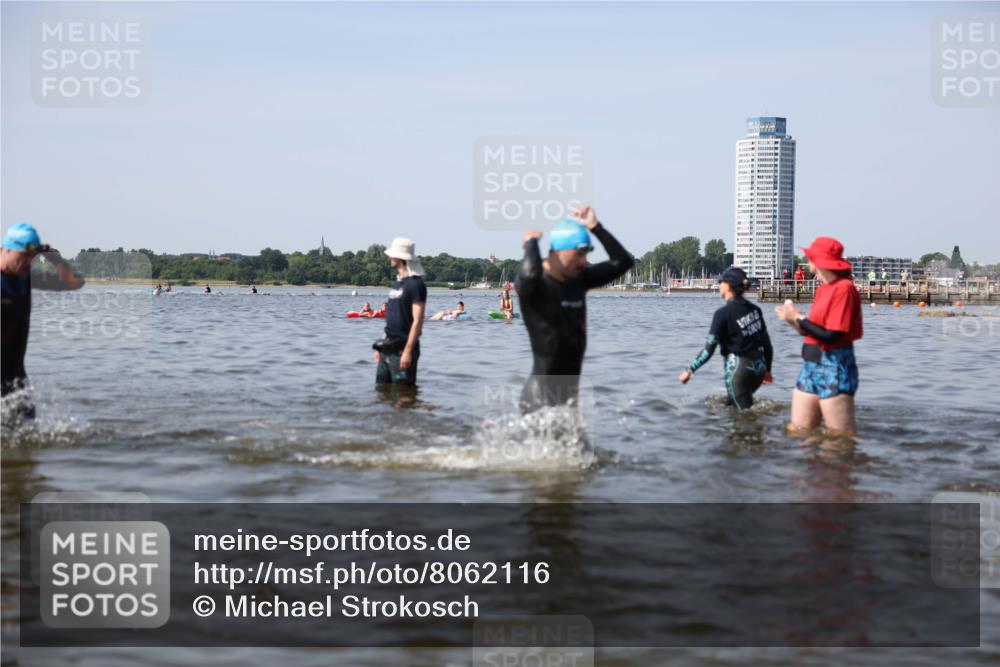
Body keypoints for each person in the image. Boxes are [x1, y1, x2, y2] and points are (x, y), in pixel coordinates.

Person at [516, 204, 633, 413]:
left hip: (568, 402)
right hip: (538, 403)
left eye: (586, 254)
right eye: (579, 253)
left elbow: (623, 262)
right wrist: (531, 243)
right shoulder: (535, 287)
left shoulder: (580, 280)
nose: (584, 261)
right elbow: (528, 274)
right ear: (558, 251)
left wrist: (595, 227)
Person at [775, 237, 863, 435]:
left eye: (809, 258)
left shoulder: (844, 288)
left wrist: (798, 318)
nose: (807, 262)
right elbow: (814, 329)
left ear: (819, 261)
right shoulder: (823, 288)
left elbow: (832, 335)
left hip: (834, 367)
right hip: (810, 365)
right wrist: (793, 320)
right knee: (798, 430)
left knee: (839, 437)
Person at [1, 223, 85, 420]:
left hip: (16, 379)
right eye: (23, 256)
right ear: (6, 250)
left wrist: (52, 256)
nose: (28, 262)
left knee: (26, 436)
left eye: (32, 257)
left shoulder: (25, 276)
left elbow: (74, 282)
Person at [679, 267, 773, 410]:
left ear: (728, 286)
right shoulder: (755, 310)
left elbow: (709, 349)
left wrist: (690, 370)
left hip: (738, 371)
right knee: (732, 405)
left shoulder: (722, 314)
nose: (719, 284)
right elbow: (767, 344)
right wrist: (767, 371)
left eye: (721, 281)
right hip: (758, 369)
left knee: (743, 420)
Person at [374, 238, 426, 387]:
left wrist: (408, 351)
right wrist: (381, 346)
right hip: (387, 347)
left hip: (403, 349)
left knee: (404, 397)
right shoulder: (397, 284)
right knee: (381, 393)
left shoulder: (416, 284)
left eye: (393, 254)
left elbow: (418, 321)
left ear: (401, 258)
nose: (390, 257)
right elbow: (391, 319)